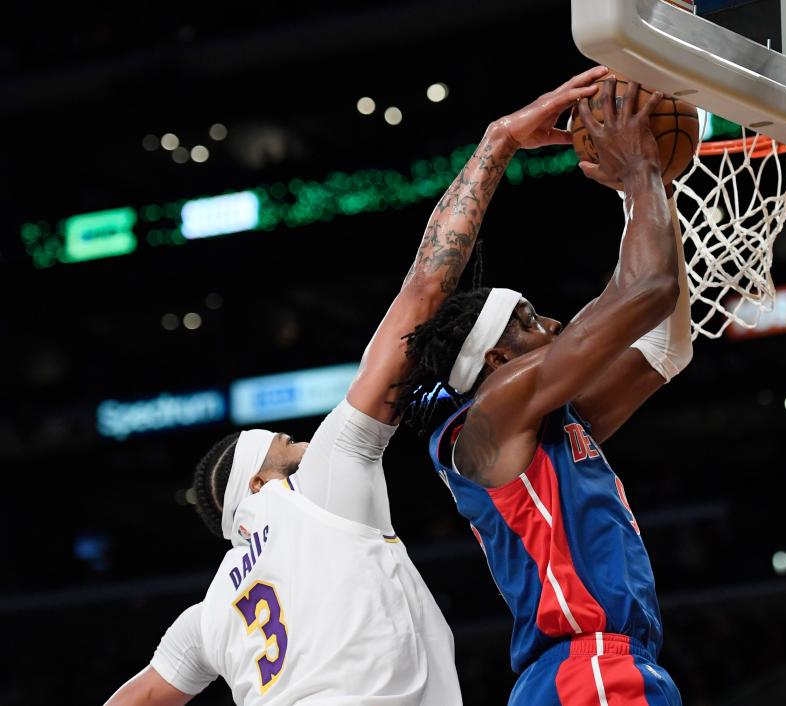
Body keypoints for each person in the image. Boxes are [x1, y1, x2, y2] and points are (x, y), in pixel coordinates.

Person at [104, 65, 611, 706]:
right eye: (289, 443)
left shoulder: (207, 618)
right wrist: (497, 141)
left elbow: (140, 699)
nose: (306, 443)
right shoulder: (317, 489)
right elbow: (426, 288)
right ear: (260, 484)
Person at [395, 78, 693, 705]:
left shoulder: (554, 427)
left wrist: (647, 192)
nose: (551, 323)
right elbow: (644, 292)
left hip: (600, 673)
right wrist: (639, 170)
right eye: (529, 319)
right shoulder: (490, 414)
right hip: (588, 674)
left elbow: (665, 348)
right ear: (496, 358)